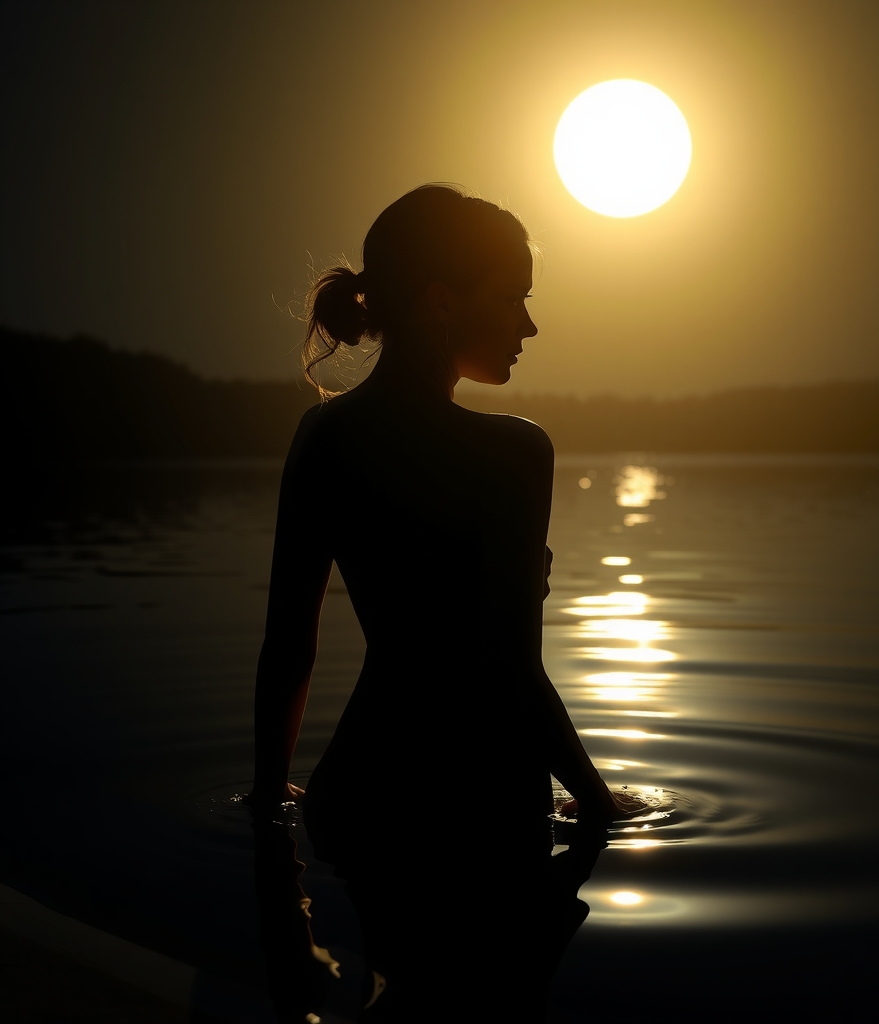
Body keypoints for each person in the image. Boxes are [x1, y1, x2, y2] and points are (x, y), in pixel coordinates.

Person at [247, 184, 640, 1022]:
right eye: (514, 298)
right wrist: (600, 806)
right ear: (440, 301)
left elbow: (289, 647)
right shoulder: (514, 454)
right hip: (477, 819)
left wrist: (266, 800)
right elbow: (509, 667)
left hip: (354, 806)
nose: (529, 325)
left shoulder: (324, 436)